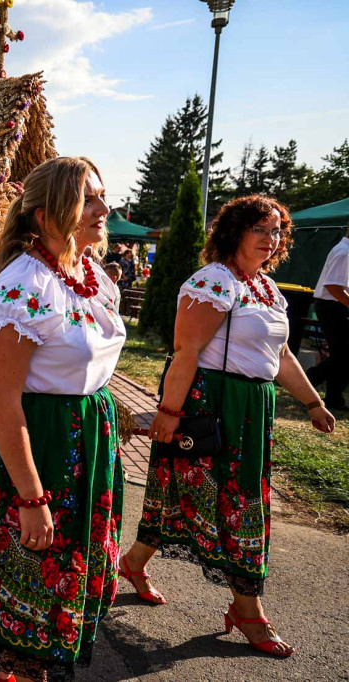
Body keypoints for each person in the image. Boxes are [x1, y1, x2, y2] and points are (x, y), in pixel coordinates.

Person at [123, 195, 336, 658]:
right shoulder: (214, 281)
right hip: (213, 403)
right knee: (219, 500)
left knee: (198, 495)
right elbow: (187, 352)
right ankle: (248, 610)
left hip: (252, 408)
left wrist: (314, 403)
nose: (270, 238)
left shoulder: (266, 288)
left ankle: (133, 563)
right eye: (260, 228)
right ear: (235, 231)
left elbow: (279, 357)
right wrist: (168, 412)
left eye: (277, 231)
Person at [0, 157, 126, 682]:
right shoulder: (22, 286)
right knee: (29, 589)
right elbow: (2, 402)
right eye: (88, 198)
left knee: (66, 582)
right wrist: (30, 498)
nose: (104, 208)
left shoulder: (93, 275)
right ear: (48, 212)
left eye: (102, 195)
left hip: (88, 442)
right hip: (38, 446)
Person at [307, 221, 349, 411]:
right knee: (343, 354)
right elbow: (333, 286)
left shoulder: (343, 250)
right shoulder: (344, 252)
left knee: (342, 355)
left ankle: (334, 398)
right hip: (333, 306)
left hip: (335, 305)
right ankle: (307, 382)